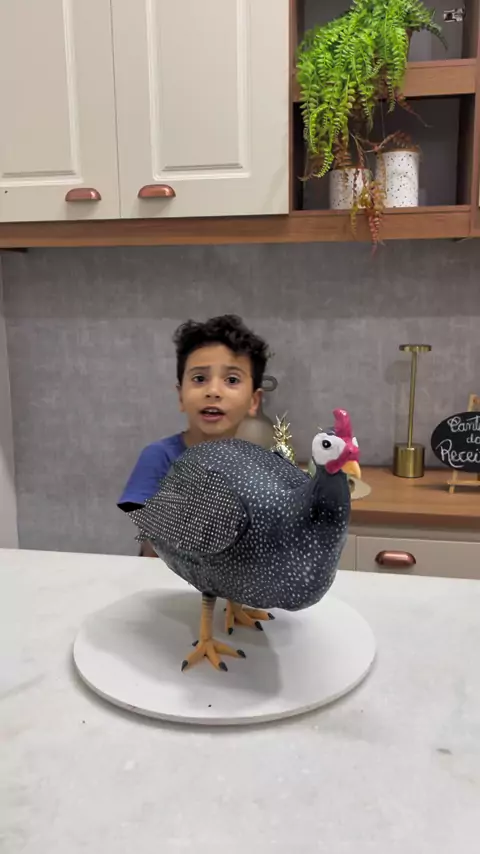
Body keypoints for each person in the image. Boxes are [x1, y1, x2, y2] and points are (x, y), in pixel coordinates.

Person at [118, 314, 270, 555]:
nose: (213, 391)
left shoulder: (258, 467)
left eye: (232, 380)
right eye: (199, 379)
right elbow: (151, 539)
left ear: (254, 401)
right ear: (181, 396)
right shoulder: (159, 457)